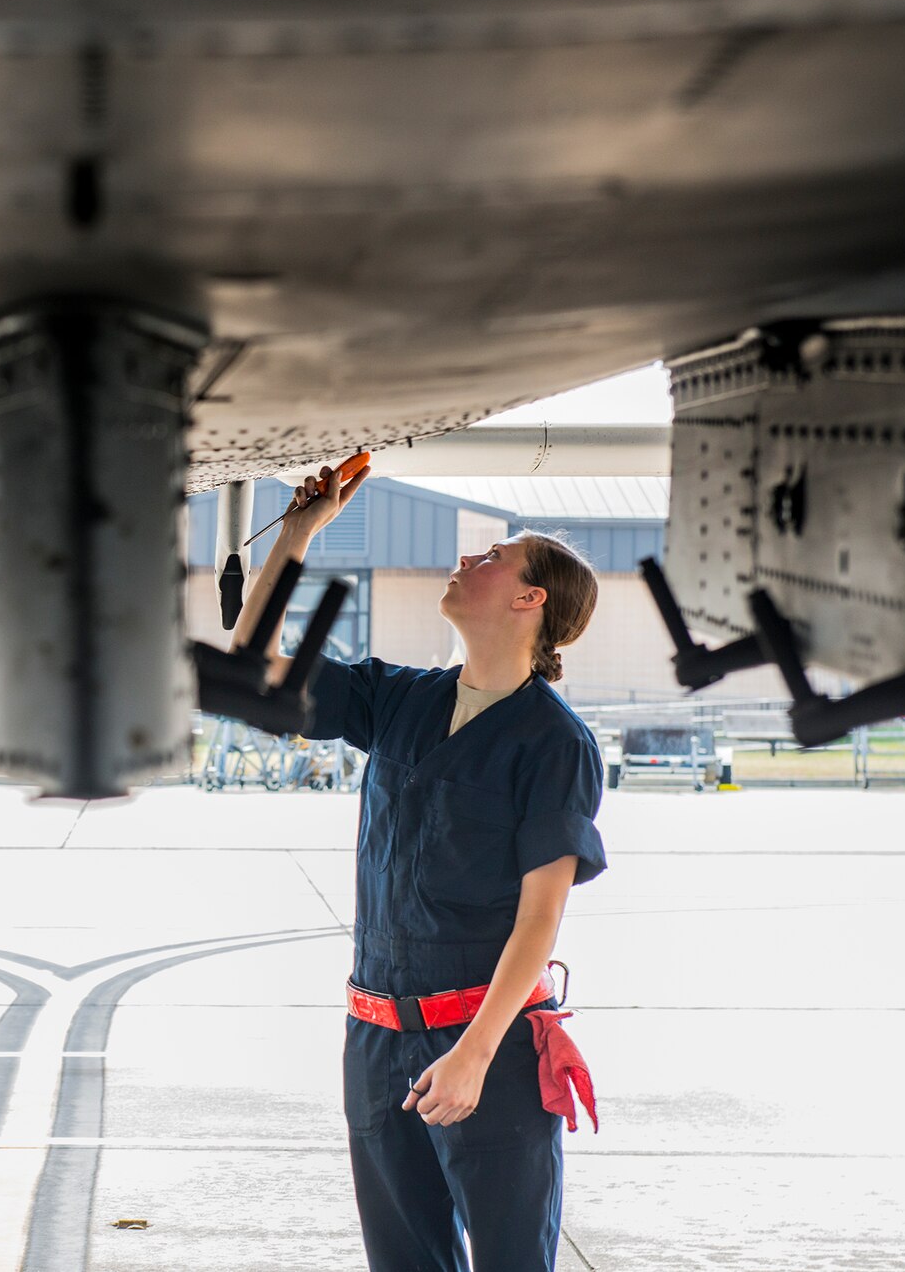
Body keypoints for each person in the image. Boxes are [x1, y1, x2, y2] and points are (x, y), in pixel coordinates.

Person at [238, 461, 608, 1272]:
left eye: (496, 556)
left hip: (490, 1048)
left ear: (530, 598)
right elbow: (253, 664)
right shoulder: (398, 699)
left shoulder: (554, 743)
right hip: (375, 1043)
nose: (470, 560)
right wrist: (299, 533)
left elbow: (539, 918)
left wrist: (474, 1053)